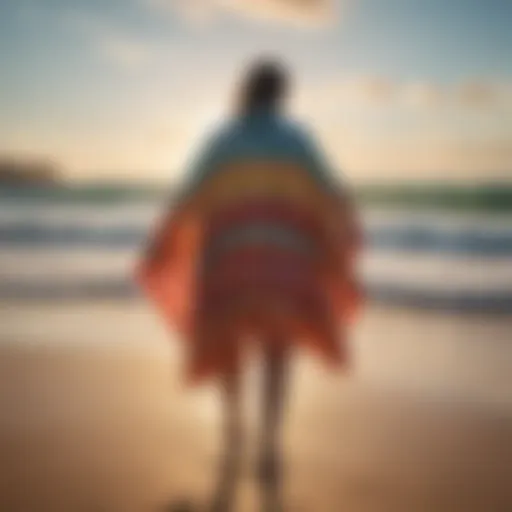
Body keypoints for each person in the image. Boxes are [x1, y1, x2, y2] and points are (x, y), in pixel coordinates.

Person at [137, 58, 361, 512]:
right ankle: (270, 441)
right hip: (286, 264)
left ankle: (233, 432)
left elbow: (189, 196)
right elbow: (330, 196)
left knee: (227, 346)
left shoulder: (221, 140)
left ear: (246, 90)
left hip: (229, 262)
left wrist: (161, 246)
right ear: (281, 95)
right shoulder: (299, 140)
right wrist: (342, 235)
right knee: (279, 353)